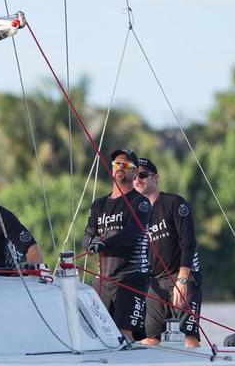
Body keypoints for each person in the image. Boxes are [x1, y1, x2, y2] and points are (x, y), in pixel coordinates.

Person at [132, 157, 203, 348]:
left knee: (188, 337)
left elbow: (188, 242)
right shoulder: (134, 213)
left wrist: (182, 280)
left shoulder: (174, 203)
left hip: (181, 278)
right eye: (134, 176)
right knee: (150, 339)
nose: (137, 179)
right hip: (154, 283)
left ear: (155, 178)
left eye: (142, 175)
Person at [82, 149, 152, 342]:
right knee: (94, 333)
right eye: (116, 164)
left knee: (124, 334)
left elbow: (130, 236)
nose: (120, 167)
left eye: (127, 165)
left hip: (131, 277)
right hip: (104, 279)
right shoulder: (99, 204)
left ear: (135, 172)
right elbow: (87, 235)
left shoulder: (141, 203)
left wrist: (103, 244)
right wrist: (91, 243)